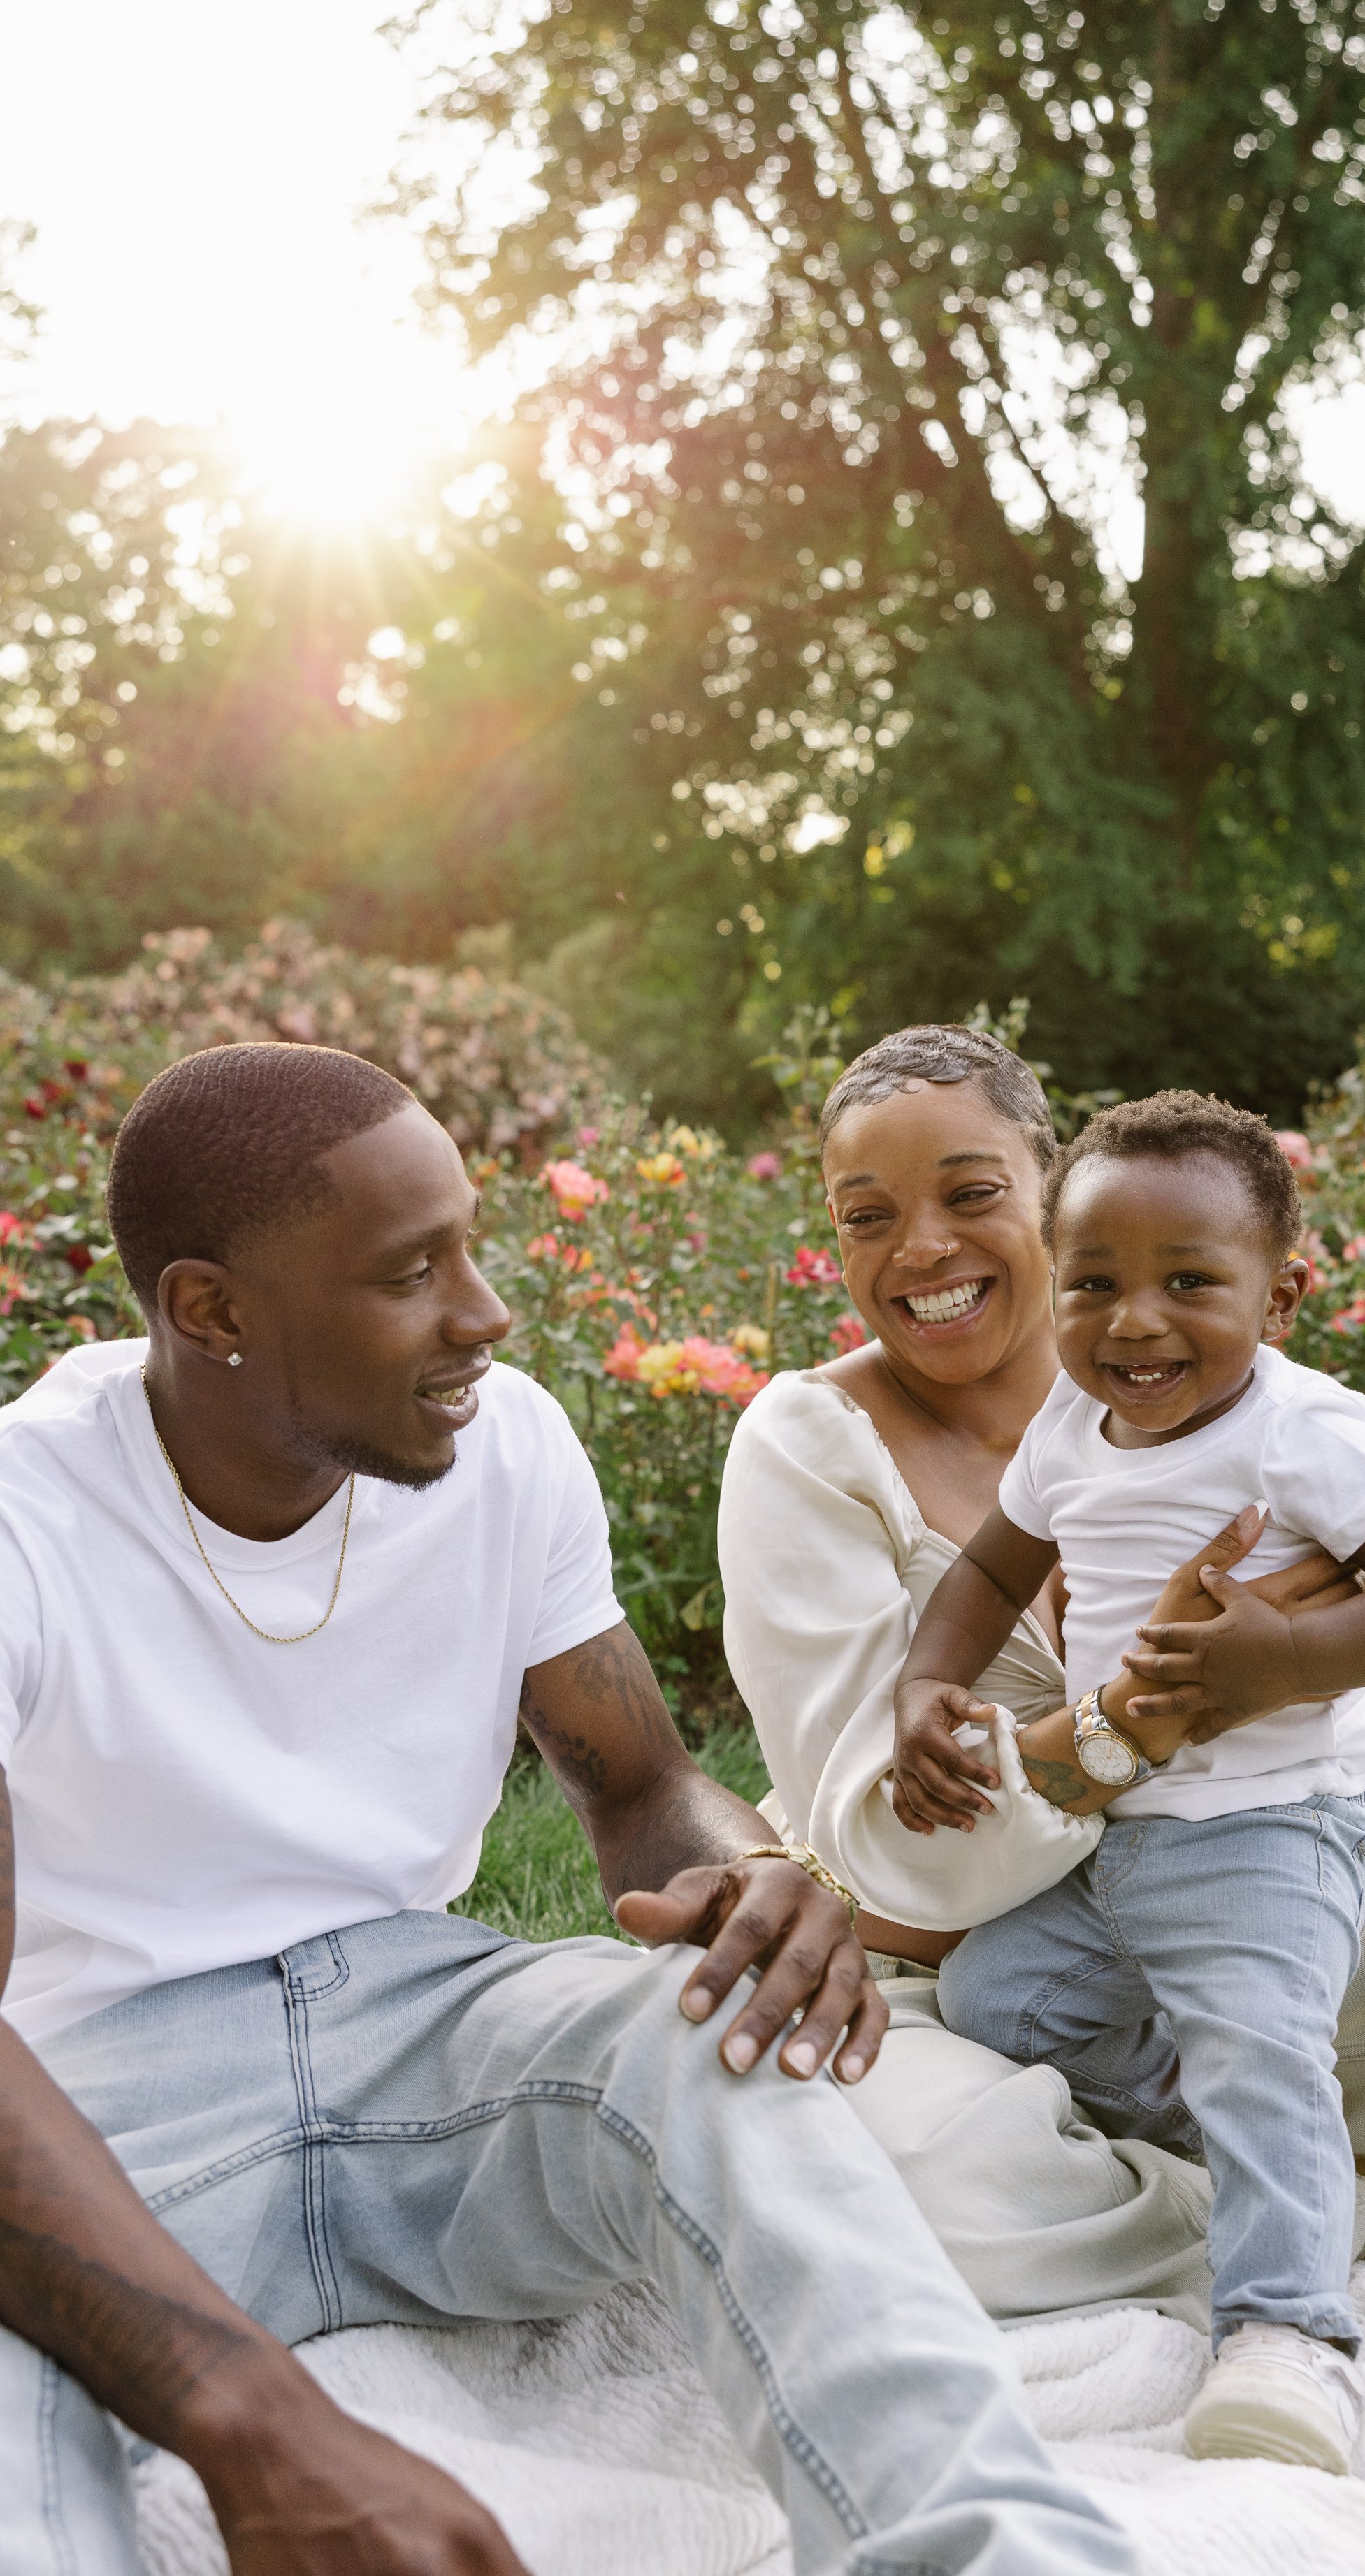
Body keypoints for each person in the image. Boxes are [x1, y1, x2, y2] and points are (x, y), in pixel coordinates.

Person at [0, 1040, 1144, 2576]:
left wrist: (763, 1878)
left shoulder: (506, 1440)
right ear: (210, 1311)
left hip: (424, 2012)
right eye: (413, 1274)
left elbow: (642, 1785)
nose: (486, 1314)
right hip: (100, 2101)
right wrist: (250, 2417)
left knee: (714, 2043)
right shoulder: (27, 1518)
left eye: (470, 1248)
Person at [718, 1024, 1365, 2551]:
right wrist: (1124, 1724)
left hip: (1258, 1888)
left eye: (966, 1190)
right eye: (865, 1215)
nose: (919, 1247)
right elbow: (897, 1854)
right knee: (855, 2169)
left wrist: (1294, 1654)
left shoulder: (1267, 1417)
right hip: (990, 2003)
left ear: (1044, 1187)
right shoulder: (814, 1445)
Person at [892, 1089, 1365, 2474]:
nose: (1134, 1320)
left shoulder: (1298, 1429)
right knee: (997, 1998)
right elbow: (994, 1568)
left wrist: (1286, 1653)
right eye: (1096, 1282)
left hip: (1260, 1834)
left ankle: (1291, 2339)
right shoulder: (1067, 1426)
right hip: (1109, 1843)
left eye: (1189, 1282)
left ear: (1279, 1296)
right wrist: (923, 1684)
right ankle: (1285, 2155)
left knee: (1250, 2044)